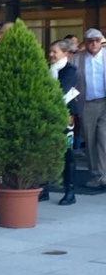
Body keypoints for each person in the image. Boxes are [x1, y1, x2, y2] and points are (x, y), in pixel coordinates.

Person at [74, 28, 106, 189]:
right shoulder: (77, 58)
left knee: (103, 139)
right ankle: (96, 175)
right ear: (85, 42)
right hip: (86, 104)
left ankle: (103, 175)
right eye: (90, 41)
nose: (94, 44)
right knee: (91, 140)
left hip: (104, 103)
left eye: (97, 40)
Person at [48, 39, 78, 205]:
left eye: (55, 52)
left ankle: (70, 191)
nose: (51, 54)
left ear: (65, 53)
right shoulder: (47, 68)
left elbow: (61, 90)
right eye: (50, 51)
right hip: (48, 114)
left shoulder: (70, 70)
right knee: (46, 150)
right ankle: (43, 189)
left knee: (67, 152)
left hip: (65, 114)